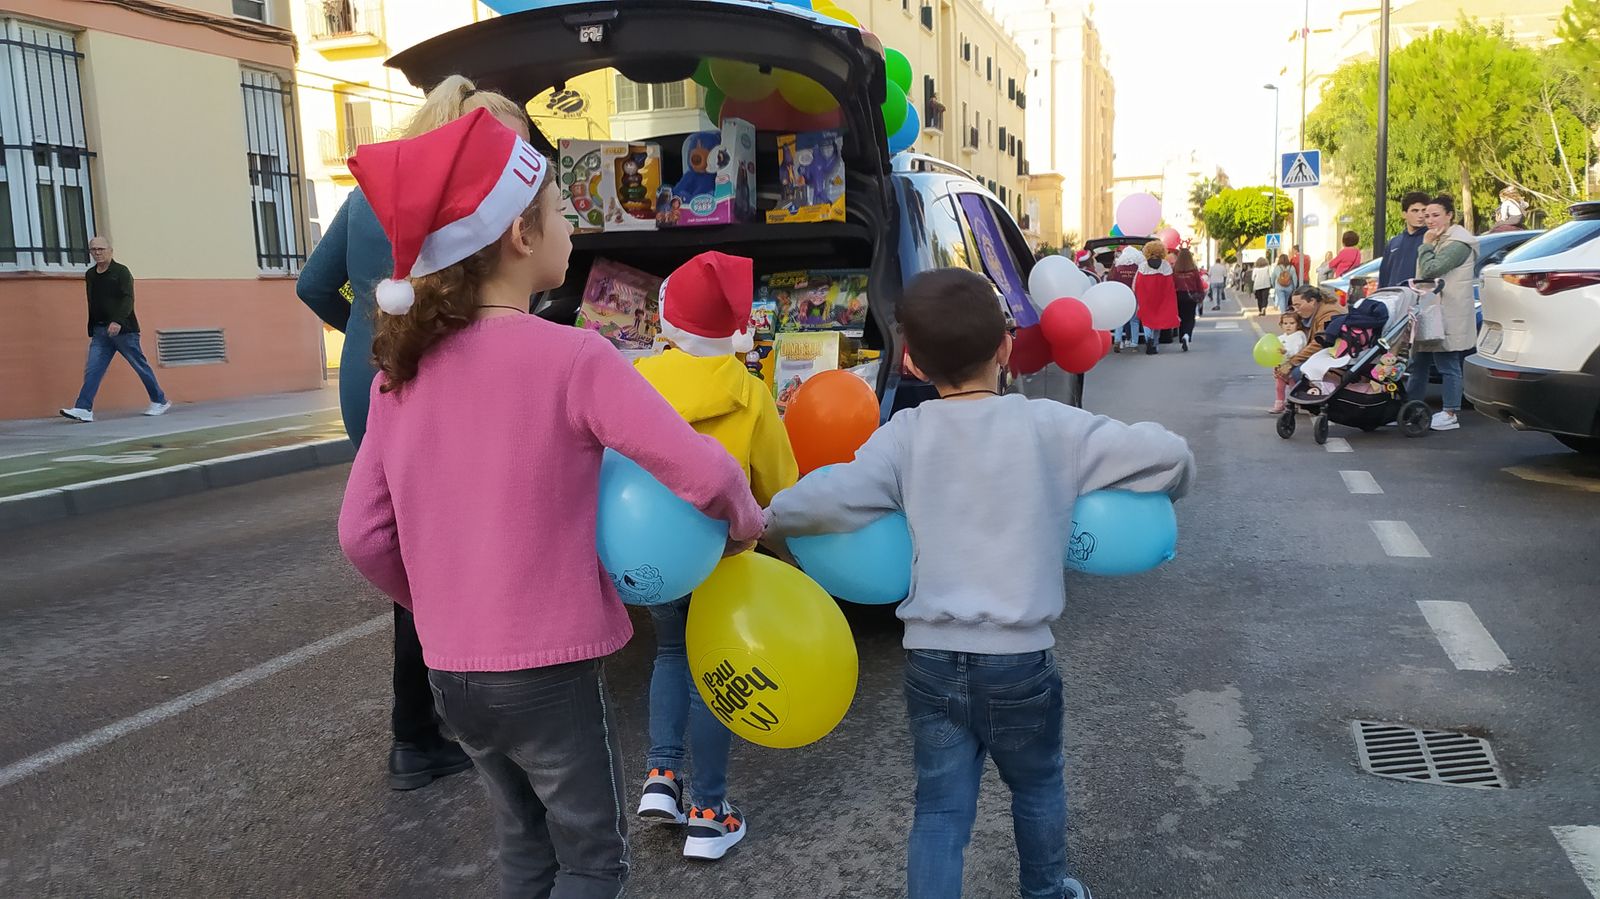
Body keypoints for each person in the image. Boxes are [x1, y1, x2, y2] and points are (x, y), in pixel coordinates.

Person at [337, 110, 765, 897]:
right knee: (591, 859)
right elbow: (696, 466)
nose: (574, 227)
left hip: (452, 671)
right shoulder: (574, 355)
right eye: (564, 211)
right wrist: (745, 520)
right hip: (550, 669)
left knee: (525, 847)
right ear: (521, 237)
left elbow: (362, 533)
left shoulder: (402, 373)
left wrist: (428, 597)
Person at [762, 268, 1193, 899]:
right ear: (1006, 348)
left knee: (940, 810)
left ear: (911, 359)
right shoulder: (1053, 426)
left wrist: (765, 520)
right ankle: (1046, 889)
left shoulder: (904, 436)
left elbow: (829, 497)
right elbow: (1170, 457)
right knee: (1038, 783)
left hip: (931, 661)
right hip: (1020, 660)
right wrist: (1171, 486)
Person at [298, 75, 533, 791]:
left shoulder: (367, 191)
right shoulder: (454, 190)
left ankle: (424, 723)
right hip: (428, 376)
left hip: (369, 383)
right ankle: (419, 729)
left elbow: (313, 285)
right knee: (439, 553)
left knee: (410, 541)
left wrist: (367, 333)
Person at [632, 251, 799, 860]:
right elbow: (780, 482)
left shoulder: (639, 382)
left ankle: (661, 774)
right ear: (737, 327)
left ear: (665, 324)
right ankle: (708, 811)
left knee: (671, 653)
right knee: (714, 677)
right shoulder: (751, 394)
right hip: (723, 555)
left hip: (653, 550)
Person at [59, 236, 170, 423]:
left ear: (111, 250)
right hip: (100, 332)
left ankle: (160, 400)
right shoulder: (91, 274)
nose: (97, 253)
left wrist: (117, 321)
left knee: (139, 366)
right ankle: (83, 408)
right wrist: (93, 327)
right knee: (93, 369)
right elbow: (93, 302)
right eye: (93, 250)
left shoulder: (121, 272)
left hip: (124, 331)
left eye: (101, 249)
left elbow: (128, 299)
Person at [1409, 194, 1479, 432]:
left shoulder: (1459, 242)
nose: (1429, 220)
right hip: (1430, 309)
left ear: (1450, 215)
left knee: (1447, 361)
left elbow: (1431, 269)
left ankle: (1450, 412)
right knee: (1418, 362)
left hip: (1448, 311)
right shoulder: (1439, 238)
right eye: (1426, 215)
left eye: (1435, 215)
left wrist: (1426, 244)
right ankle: (1412, 409)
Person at [1275, 285, 1343, 387]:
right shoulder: (1314, 312)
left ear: (1312, 301)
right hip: (1328, 354)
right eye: (1294, 307)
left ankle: (1311, 397)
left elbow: (1319, 343)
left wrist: (1291, 363)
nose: (1296, 310)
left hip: (1335, 356)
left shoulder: (1329, 314)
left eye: (1298, 306)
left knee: (1298, 372)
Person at [1133, 240, 1180, 356]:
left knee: (1146, 320)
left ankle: (1148, 338)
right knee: (1158, 320)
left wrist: (1136, 295)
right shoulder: (1166, 265)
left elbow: (1136, 283)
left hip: (1146, 297)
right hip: (1161, 298)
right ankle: (1155, 343)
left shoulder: (1143, 266)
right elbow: (1170, 284)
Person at [1379, 191, 1431, 288]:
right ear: (1404, 214)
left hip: (1420, 297)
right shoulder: (1394, 243)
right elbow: (1384, 276)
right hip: (1394, 297)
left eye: (1424, 211)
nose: (1420, 215)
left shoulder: (1431, 239)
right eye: (1415, 211)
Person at [1269, 312, 1308, 414]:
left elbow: (1297, 350)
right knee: (1279, 387)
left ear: (1298, 324)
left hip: (1294, 366)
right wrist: (1275, 364)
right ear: (1281, 325)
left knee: (1293, 386)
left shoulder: (1299, 336)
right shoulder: (1280, 338)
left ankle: (1294, 403)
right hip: (1281, 366)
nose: (1288, 326)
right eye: (1285, 323)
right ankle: (1279, 404)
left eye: (1292, 323)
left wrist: (1286, 352)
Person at [1109, 245, 1142, 351]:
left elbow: (1111, 279)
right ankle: (1134, 343)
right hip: (1133, 295)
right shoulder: (1138, 268)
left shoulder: (1118, 267)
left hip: (1121, 296)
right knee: (1134, 320)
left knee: (1120, 319)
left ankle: (1117, 340)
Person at [1172, 248, 1205, 350]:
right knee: (1190, 318)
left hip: (1178, 296)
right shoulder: (1194, 271)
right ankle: (1187, 335)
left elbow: (1172, 285)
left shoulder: (1175, 270)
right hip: (1191, 296)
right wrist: (1201, 295)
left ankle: (1182, 336)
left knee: (1181, 317)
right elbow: (1199, 285)